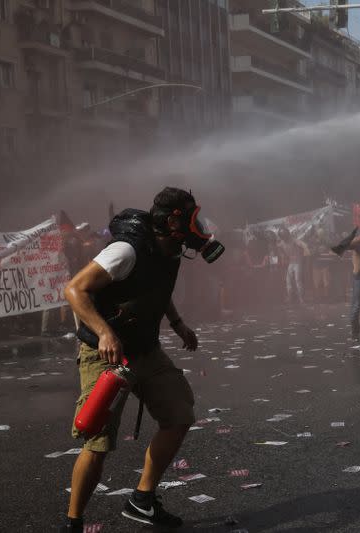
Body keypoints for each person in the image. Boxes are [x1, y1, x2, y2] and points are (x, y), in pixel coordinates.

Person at [60, 187, 223, 531]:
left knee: (179, 413)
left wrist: (178, 324)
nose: (199, 226)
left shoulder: (172, 251)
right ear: (173, 221)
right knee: (98, 442)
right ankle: (73, 523)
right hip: (107, 355)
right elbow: (75, 289)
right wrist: (104, 332)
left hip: (145, 350)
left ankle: (142, 500)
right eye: (192, 218)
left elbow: (154, 289)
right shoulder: (125, 250)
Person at [278, 227, 308, 305]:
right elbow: (279, 248)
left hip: (298, 262)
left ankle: (301, 299)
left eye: (284, 235)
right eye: (282, 235)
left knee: (298, 280)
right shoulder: (282, 242)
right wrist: (283, 256)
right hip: (291, 263)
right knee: (288, 281)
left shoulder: (293, 240)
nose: (283, 237)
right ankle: (290, 298)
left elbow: (303, 244)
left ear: (287, 234)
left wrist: (305, 251)